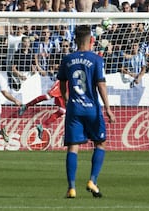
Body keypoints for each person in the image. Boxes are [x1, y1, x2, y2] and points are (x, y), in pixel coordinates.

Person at [57, 25, 116, 198]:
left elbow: (61, 83)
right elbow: (101, 84)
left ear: (75, 40)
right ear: (91, 40)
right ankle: (92, 180)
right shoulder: (96, 59)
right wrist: (108, 108)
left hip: (74, 108)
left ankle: (71, 188)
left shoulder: (67, 59)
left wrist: (66, 98)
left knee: (73, 147)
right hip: (92, 108)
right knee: (100, 143)